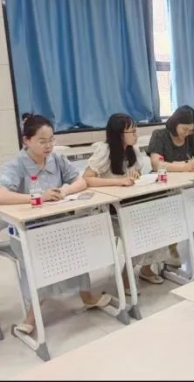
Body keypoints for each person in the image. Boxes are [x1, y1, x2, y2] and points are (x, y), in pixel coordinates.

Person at [0, 115, 111, 334]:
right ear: (26, 141)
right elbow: (2, 194)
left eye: (51, 139)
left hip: (59, 223)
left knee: (77, 247)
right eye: (42, 141)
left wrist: (65, 191)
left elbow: (81, 180)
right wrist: (37, 197)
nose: (49, 145)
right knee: (40, 263)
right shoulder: (16, 165)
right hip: (28, 230)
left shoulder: (57, 159)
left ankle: (86, 296)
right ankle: (32, 316)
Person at [84, 113, 169, 295]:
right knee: (141, 230)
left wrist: (135, 176)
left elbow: (135, 175)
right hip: (109, 210)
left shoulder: (133, 150)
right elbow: (87, 179)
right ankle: (126, 275)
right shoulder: (104, 151)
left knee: (158, 220)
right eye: (132, 131)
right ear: (119, 134)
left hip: (130, 204)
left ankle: (146, 269)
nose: (136, 134)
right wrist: (118, 181)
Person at [147, 105, 194, 267]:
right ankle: (171, 248)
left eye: (190, 130)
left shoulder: (190, 136)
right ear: (175, 123)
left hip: (184, 183)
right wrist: (183, 166)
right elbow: (156, 164)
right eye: (184, 129)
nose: (187, 133)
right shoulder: (160, 135)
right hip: (162, 187)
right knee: (177, 206)